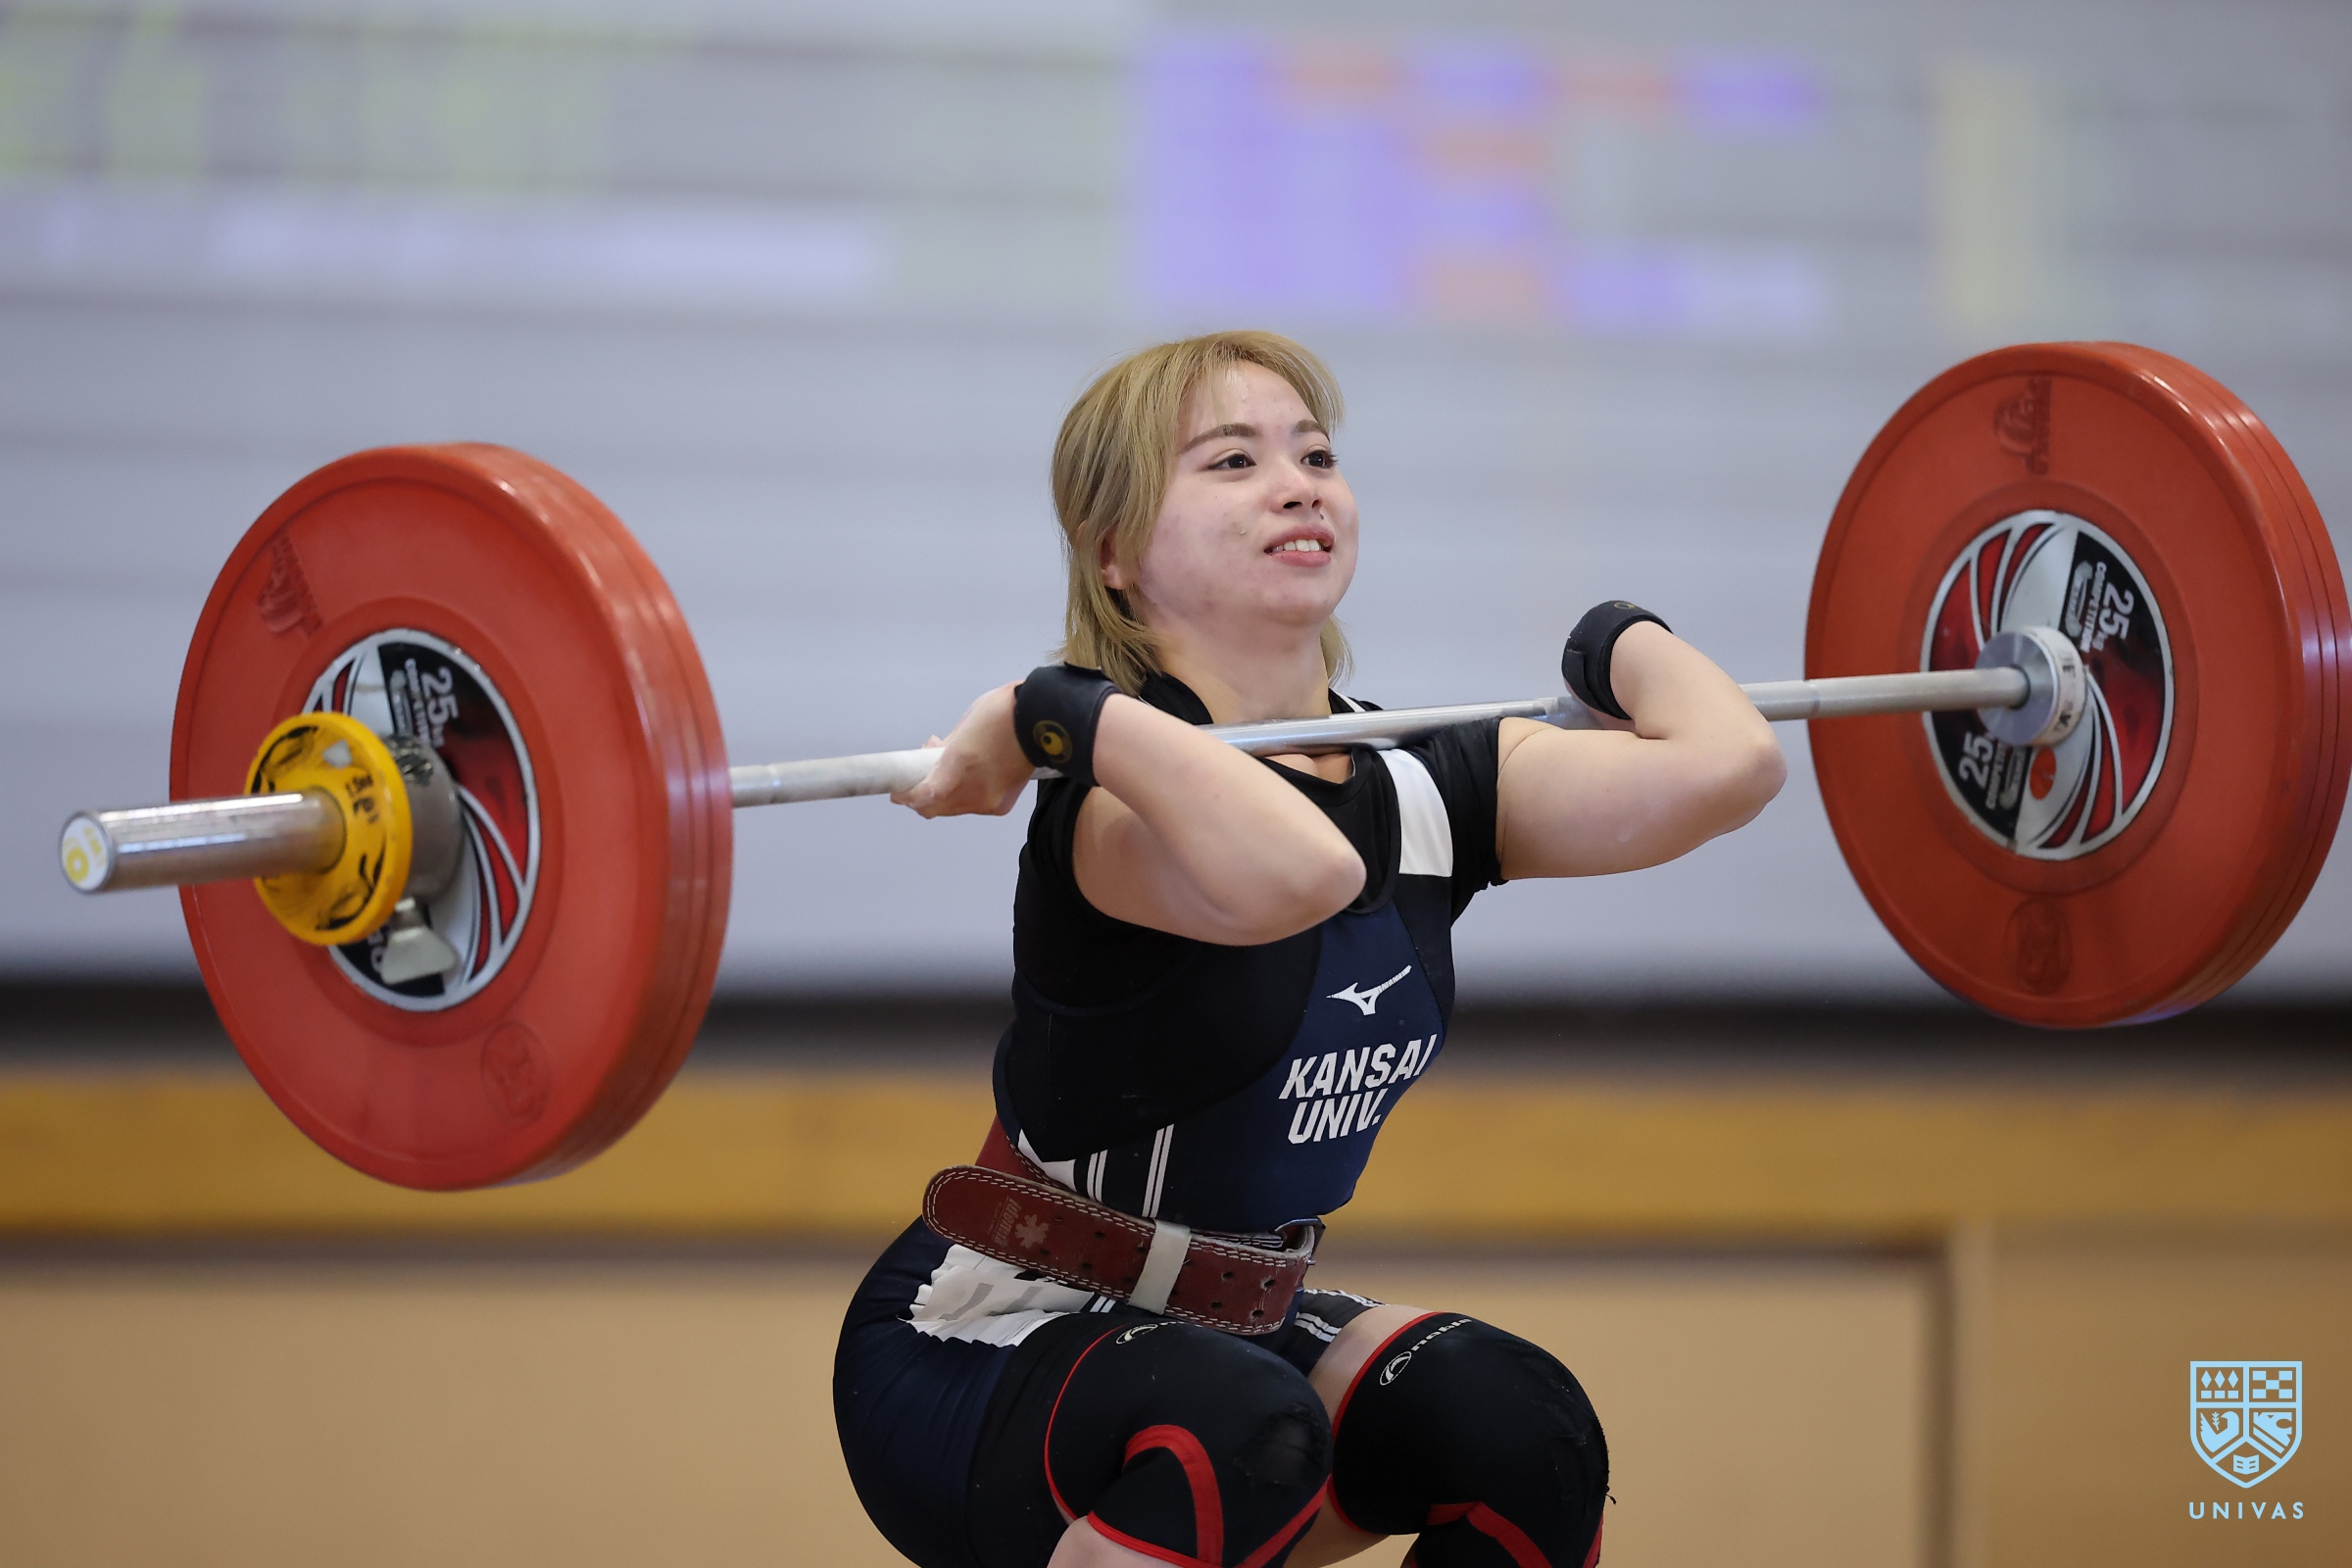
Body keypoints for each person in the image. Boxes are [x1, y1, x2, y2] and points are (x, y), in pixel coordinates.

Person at [833, 330, 1784, 1568]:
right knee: (1244, 1437)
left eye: (1317, 455)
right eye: (1233, 461)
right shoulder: (1109, 805)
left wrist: (1610, 638)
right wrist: (1058, 711)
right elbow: (1304, 871)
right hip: (983, 1333)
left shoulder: (1427, 782)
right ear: (1114, 551)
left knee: (1524, 1432)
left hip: (1229, 1326)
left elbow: (1732, 765)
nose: (1298, 486)